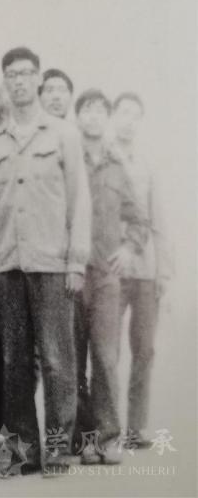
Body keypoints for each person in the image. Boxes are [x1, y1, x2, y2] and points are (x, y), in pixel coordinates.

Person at [0, 47, 91, 474]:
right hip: (5, 266)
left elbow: (79, 202)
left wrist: (76, 262)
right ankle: (24, 451)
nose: (19, 81)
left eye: (26, 73)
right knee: (14, 363)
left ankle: (57, 448)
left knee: (58, 361)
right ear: (5, 82)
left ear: (38, 79)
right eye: (12, 75)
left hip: (52, 265)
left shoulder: (63, 135)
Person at [72, 88, 149, 464]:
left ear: (107, 118)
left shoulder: (117, 165)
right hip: (71, 273)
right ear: (78, 117)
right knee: (71, 359)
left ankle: (107, 437)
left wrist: (129, 248)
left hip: (105, 276)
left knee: (105, 356)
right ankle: (84, 438)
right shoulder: (67, 159)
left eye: (100, 110)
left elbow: (139, 219)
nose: (94, 116)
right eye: (87, 110)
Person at [112, 92, 172, 448]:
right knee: (107, 351)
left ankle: (136, 428)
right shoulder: (103, 159)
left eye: (135, 115)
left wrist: (164, 270)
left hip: (146, 270)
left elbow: (158, 219)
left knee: (145, 349)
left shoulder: (148, 164)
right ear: (113, 117)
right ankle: (105, 428)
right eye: (123, 113)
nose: (129, 121)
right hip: (113, 267)